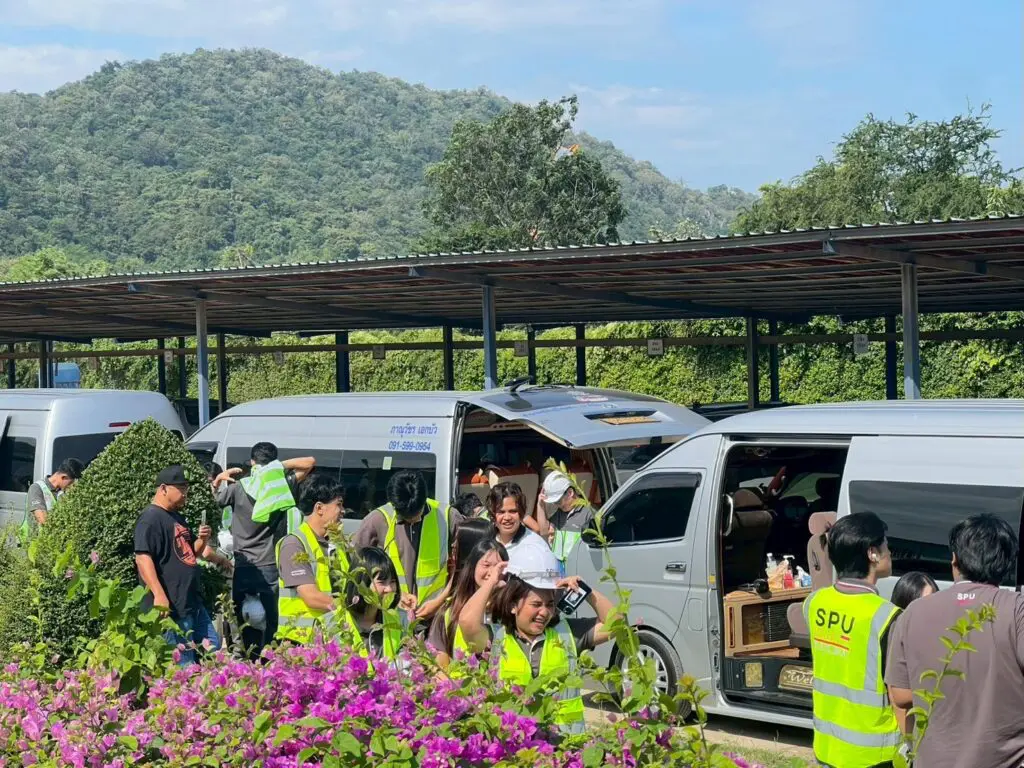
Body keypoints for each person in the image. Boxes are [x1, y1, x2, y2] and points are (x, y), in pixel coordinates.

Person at [886, 514, 1024, 768]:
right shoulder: (1017, 610)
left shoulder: (913, 612)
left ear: (954, 560)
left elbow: (900, 696)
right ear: (1007, 564)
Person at [459, 544, 617, 735]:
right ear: (513, 605)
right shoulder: (497, 638)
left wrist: (587, 592)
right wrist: (492, 581)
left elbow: (615, 624)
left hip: (565, 745)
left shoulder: (567, 633)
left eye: (549, 604)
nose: (544, 612)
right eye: (536, 604)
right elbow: (467, 622)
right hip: (514, 745)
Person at [802, 511, 901, 768]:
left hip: (827, 746)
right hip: (873, 755)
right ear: (872, 553)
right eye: (886, 545)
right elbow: (899, 692)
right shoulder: (886, 616)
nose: (890, 552)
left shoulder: (815, 603)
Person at [214, 443, 315, 657]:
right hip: (268, 563)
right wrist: (276, 467)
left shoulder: (238, 488)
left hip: (243, 564)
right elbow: (309, 463)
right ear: (273, 462)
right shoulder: (280, 486)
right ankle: (268, 660)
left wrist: (218, 480)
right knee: (270, 619)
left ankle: (243, 658)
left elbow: (214, 501)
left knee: (241, 618)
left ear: (252, 462)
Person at [134, 465, 227, 665]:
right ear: (163, 488)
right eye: (181, 488)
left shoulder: (176, 517)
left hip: (191, 601)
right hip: (173, 606)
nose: (186, 494)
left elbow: (191, 552)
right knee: (184, 664)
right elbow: (142, 558)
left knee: (213, 649)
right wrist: (159, 594)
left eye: (187, 488)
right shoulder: (150, 519)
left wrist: (203, 539)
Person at [353, 470, 465, 622]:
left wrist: (439, 601)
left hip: (436, 617)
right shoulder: (378, 520)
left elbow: (464, 570)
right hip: (390, 618)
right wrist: (395, 595)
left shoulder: (448, 517)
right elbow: (357, 572)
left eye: (416, 514)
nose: (412, 520)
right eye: (405, 517)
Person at [276, 472, 348, 644]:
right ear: (319, 508)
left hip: (330, 639)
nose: (343, 511)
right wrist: (352, 608)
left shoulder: (336, 543)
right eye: (339, 504)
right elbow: (311, 596)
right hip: (300, 644)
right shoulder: (294, 544)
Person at [428, 535, 509, 668]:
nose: (492, 573)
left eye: (498, 568)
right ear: (473, 567)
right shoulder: (449, 611)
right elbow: (438, 662)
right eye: (486, 565)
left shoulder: (509, 611)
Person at [341, 546, 412, 662]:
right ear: (362, 584)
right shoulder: (334, 623)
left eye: (392, 582)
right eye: (382, 582)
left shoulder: (401, 620)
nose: (389, 589)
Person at [535, 471, 596, 572]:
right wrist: (540, 505)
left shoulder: (589, 513)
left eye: (558, 501)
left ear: (570, 493)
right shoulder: (561, 512)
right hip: (560, 567)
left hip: (580, 569)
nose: (556, 505)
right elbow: (544, 531)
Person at [20, 458, 84, 542]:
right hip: (33, 543)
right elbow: (43, 520)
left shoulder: (63, 493)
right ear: (64, 477)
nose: (72, 487)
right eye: (71, 483)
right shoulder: (37, 488)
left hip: (52, 543)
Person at [489, 481, 550, 568]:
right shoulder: (485, 539)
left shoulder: (535, 546)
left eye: (513, 511)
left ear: (521, 513)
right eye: (501, 512)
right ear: (493, 514)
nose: (507, 517)